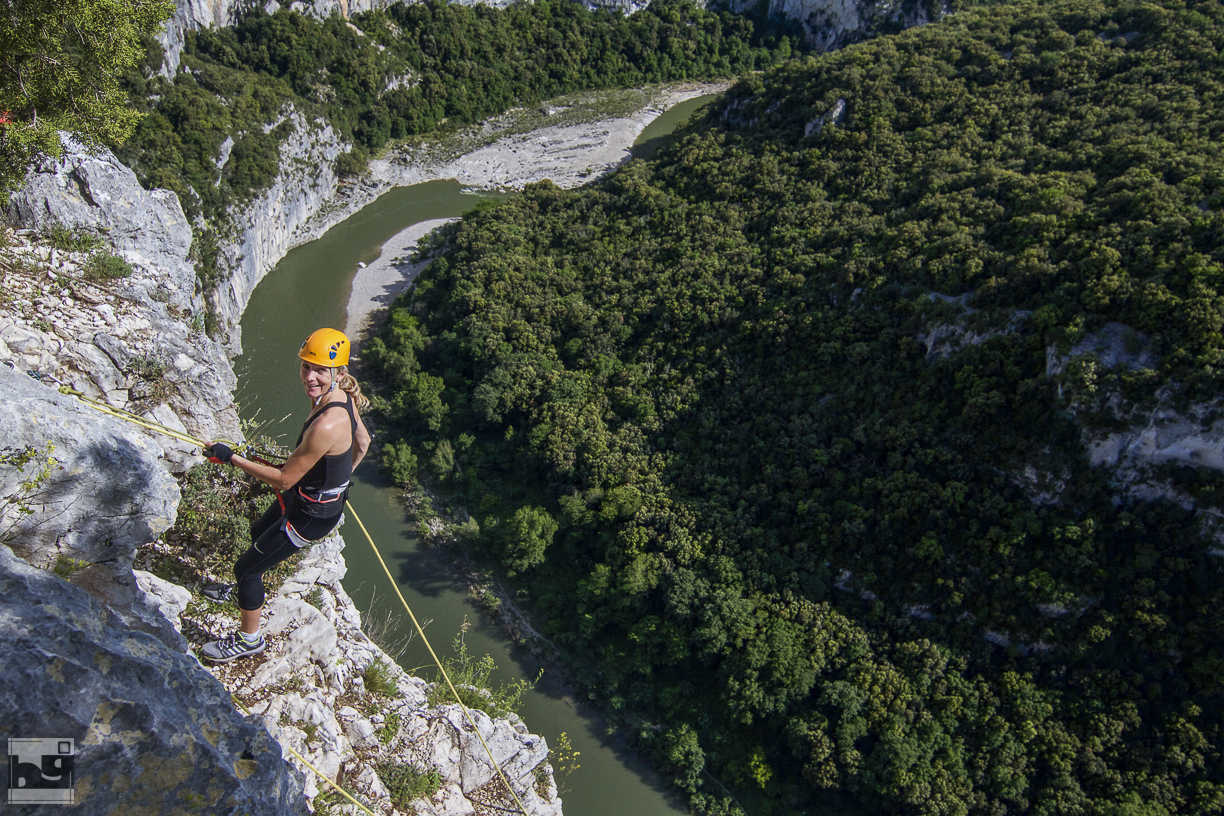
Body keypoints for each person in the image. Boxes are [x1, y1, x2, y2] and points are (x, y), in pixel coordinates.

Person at [199, 328, 371, 662]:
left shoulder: (327, 424)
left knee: (246, 570)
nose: (310, 376)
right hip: (311, 500)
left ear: (338, 373)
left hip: (310, 516)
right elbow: (362, 443)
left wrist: (229, 456)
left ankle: (250, 639)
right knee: (256, 534)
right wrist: (336, 479)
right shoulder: (344, 398)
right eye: (306, 366)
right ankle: (247, 594)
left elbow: (283, 479)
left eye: (320, 370)